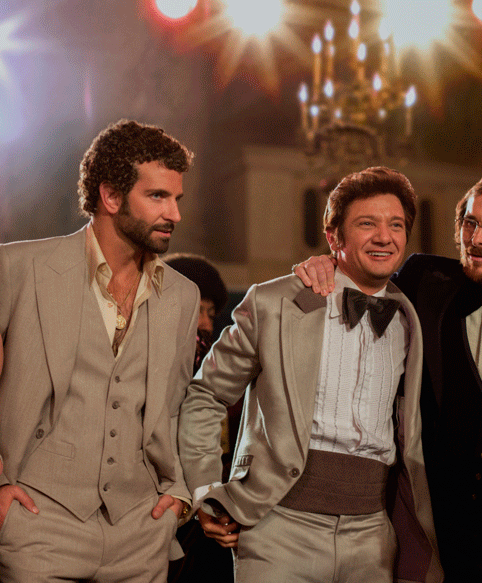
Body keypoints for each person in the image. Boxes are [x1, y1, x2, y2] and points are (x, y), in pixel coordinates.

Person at [295, 168, 482, 583]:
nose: (476, 239)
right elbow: (363, 279)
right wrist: (327, 262)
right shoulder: (424, 281)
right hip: (428, 546)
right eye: (469, 223)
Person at [178, 166, 443, 583]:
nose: (384, 237)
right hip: (277, 528)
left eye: (396, 225)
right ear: (334, 237)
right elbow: (206, 395)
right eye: (367, 224)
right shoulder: (275, 303)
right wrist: (204, 490)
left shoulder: (414, 317)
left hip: (374, 538)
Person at [0, 119, 200, 582]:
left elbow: (176, 405)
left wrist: (178, 492)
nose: (174, 213)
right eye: (157, 196)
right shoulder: (18, 268)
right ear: (110, 196)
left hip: (141, 530)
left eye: (177, 198)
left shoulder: (182, 295)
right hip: (37, 522)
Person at [163, 253, 233, 583]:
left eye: (210, 313)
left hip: (202, 523)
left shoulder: (215, 374)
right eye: (196, 310)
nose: (205, 323)